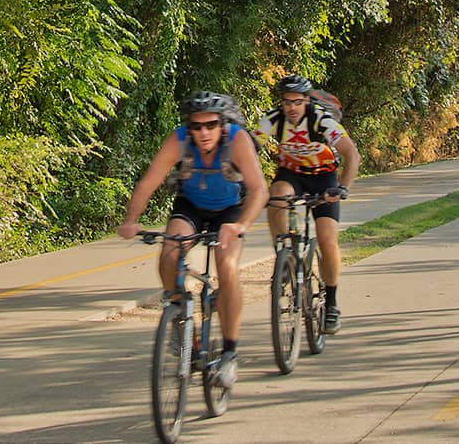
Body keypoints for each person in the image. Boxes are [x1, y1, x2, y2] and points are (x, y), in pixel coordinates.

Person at [118, 91, 268, 388]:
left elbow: (259, 189)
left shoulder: (237, 141)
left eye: (211, 125)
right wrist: (131, 220)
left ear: (222, 124)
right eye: (196, 126)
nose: (203, 132)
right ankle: (179, 316)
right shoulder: (178, 140)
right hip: (192, 206)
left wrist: (240, 225)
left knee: (227, 267)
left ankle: (229, 354)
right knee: (169, 251)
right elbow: (149, 182)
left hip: (230, 209)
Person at [257, 74, 361, 334]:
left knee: (327, 240)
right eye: (286, 102)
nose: (291, 108)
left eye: (297, 102)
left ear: (306, 101)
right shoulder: (272, 120)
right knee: (277, 195)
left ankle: (333, 303)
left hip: (323, 178)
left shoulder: (320, 120)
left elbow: (351, 153)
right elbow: (250, 147)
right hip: (291, 174)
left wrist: (343, 187)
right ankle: (283, 254)